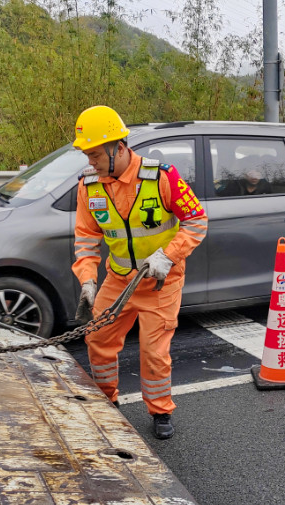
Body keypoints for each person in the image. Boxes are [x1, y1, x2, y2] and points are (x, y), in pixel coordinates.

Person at [71, 105, 208, 440]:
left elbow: (196, 221)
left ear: (118, 148)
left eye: (94, 155)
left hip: (160, 282)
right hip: (117, 280)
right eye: (87, 155)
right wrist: (87, 279)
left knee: (153, 351)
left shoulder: (161, 176)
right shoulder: (89, 187)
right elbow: (87, 238)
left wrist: (168, 256)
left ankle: (160, 410)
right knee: (98, 338)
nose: (91, 162)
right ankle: (107, 402)